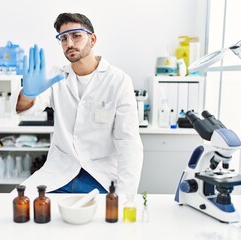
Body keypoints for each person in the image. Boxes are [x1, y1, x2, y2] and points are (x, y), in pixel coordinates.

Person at [12, 13, 143, 194]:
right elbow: (24, 109)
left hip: (100, 176)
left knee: (95, 219)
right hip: (59, 173)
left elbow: (128, 142)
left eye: (76, 35)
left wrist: (125, 197)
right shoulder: (56, 77)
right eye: (63, 38)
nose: (70, 44)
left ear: (92, 39)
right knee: (17, 206)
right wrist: (27, 94)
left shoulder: (118, 81)